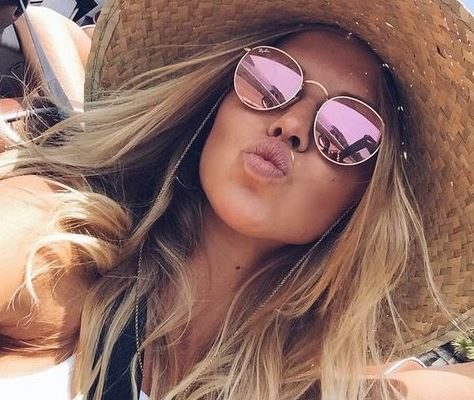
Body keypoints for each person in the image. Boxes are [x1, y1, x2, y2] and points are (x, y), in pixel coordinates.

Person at [0, 0, 473, 399]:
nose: (291, 125)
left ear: (364, 197)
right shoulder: (56, 249)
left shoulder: (312, 386)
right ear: (215, 104)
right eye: (268, 79)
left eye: (347, 131)